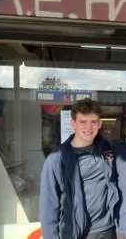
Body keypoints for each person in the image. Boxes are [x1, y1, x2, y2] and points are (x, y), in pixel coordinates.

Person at [40, 98, 119, 239]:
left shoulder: (108, 151)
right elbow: (48, 207)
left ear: (100, 124)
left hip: (107, 229)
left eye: (93, 122)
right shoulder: (56, 160)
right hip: (75, 233)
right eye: (83, 122)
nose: (89, 127)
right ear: (73, 124)